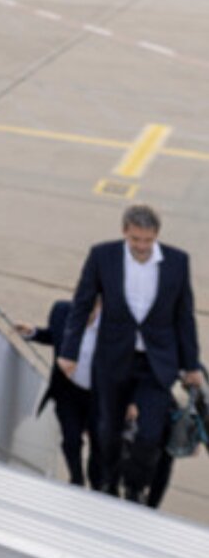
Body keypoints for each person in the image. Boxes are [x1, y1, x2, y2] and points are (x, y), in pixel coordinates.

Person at [59, 204, 204, 504]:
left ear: (157, 235)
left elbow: (184, 316)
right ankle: (109, 485)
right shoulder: (103, 256)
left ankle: (135, 487)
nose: (141, 246)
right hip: (113, 359)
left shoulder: (177, 262)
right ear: (125, 231)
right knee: (107, 432)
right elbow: (82, 304)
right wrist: (69, 352)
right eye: (136, 239)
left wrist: (191, 365)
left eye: (148, 240)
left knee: (150, 435)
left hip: (156, 363)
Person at [17, 299, 102, 488]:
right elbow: (53, 335)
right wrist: (33, 333)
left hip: (98, 396)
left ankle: (97, 487)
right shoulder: (63, 311)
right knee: (71, 439)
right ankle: (77, 479)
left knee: (99, 446)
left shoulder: (115, 324)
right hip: (67, 391)